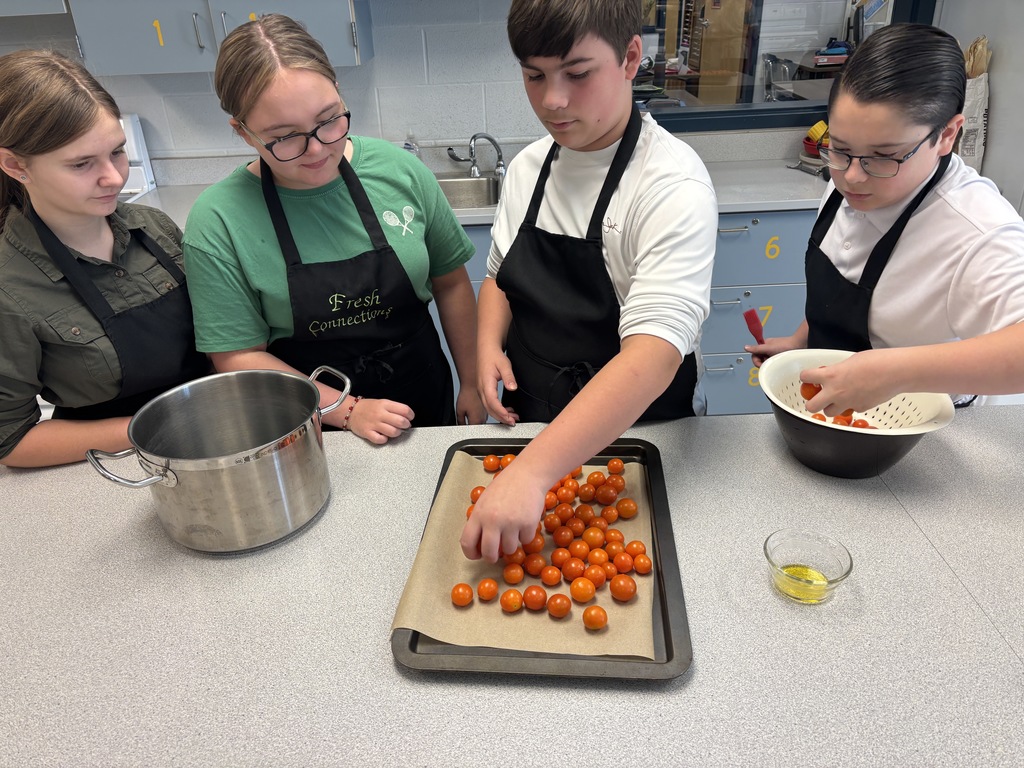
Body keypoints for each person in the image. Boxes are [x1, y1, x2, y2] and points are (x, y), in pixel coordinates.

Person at [461, 0, 717, 562]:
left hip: (641, 438)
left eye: (577, 74)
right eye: (534, 75)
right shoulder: (529, 167)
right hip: (534, 419)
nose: (552, 99)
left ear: (630, 58)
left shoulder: (670, 186)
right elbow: (499, 277)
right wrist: (485, 347)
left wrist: (531, 472)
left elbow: (652, 356)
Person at [182, 14, 486, 444]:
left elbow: (451, 282)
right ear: (243, 132)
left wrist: (470, 382)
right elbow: (236, 355)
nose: (318, 149)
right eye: (284, 137)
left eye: (328, 120)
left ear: (339, 91)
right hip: (307, 426)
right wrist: (344, 409)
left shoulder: (400, 172)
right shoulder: (218, 220)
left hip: (424, 399)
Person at [746, 23, 1024, 414]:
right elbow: (845, 282)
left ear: (947, 135)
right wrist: (800, 343)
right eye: (840, 149)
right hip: (841, 419)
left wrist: (894, 372)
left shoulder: (977, 232)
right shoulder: (851, 180)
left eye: (884, 156)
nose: (853, 175)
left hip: (930, 436)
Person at [0, 50, 210, 468]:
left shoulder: (154, 228)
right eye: (81, 164)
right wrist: (155, 428)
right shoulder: (10, 287)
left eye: (117, 152)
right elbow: (12, 441)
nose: (114, 177)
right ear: (15, 165)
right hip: (109, 469)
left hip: (211, 434)